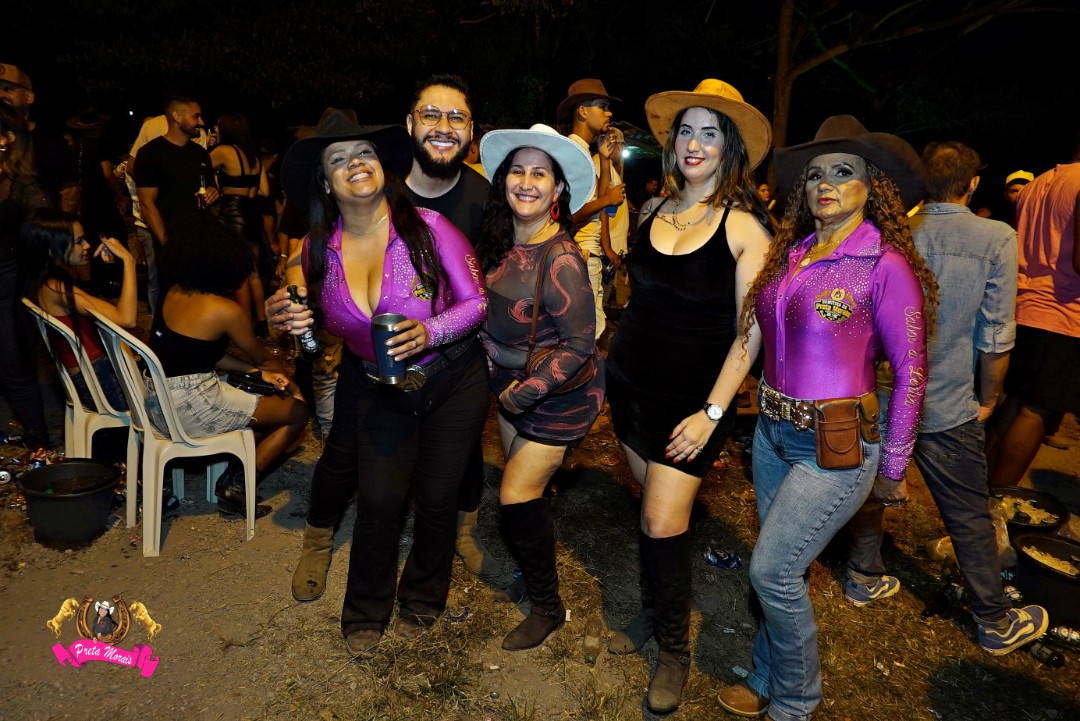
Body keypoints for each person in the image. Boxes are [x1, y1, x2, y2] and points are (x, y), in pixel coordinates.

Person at [718, 115, 937, 721]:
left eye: (843, 171)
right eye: (815, 175)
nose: (826, 184)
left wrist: (893, 466)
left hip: (835, 446)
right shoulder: (791, 255)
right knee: (780, 567)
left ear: (874, 186)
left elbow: (913, 372)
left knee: (772, 571)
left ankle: (796, 701)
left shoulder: (884, 264)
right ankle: (766, 674)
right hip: (770, 434)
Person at [266, 112, 489, 655]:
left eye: (364, 152)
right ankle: (366, 608)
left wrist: (431, 331)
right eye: (338, 159)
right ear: (325, 182)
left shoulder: (429, 228)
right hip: (379, 388)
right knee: (381, 500)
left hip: (452, 380)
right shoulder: (316, 251)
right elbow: (315, 347)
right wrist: (290, 325)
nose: (355, 164)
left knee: (436, 499)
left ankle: (424, 597)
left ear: (383, 166)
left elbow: (477, 302)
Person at [603, 79, 773, 714]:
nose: (694, 144)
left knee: (661, 520)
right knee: (651, 514)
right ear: (672, 144)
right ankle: (654, 611)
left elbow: (749, 336)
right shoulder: (652, 211)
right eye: (686, 132)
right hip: (629, 387)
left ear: (730, 148)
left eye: (710, 133)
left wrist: (711, 414)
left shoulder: (744, 229)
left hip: (692, 405)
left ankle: (674, 649)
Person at [844, 140, 1048, 656]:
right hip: (946, 395)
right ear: (973, 183)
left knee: (870, 487)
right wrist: (990, 395)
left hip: (879, 390)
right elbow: (996, 333)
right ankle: (993, 619)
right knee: (967, 510)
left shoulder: (891, 231)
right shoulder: (995, 237)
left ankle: (863, 574)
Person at [475, 123, 605, 651]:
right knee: (526, 495)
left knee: (515, 493)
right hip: (508, 387)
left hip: (558, 398)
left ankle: (548, 608)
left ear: (558, 189)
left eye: (540, 174)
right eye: (518, 171)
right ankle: (533, 570)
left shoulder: (563, 259)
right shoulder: (499, 242)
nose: (526, 183)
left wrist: (525, 392)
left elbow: (580, 345)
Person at [402, 74, 499, 579]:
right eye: (431, 115)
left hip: (461, 353)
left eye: (456, 117)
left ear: (471, 131)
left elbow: (498, 272)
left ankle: (463, 531)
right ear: (410, 124)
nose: (444, 126)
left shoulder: (485, 198)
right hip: (388, 352)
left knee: (462, 449)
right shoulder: (380, 190)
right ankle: (325, 532)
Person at [149, 218, 308, 517]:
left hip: (157, 402)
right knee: (296, 413)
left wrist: (256, 373)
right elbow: (263, 358)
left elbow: (203, 355)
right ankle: (237, 486)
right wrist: (295, 388)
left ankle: (236, 468)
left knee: (257, 391)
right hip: (190, 408)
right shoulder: (224, 309)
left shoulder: (173, 292)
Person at [988, 134, 1080, 488]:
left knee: (1014, 403)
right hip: (1063, 311)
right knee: (1037, 411)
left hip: (1023, 306)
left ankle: (977, 491)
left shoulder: (1038, 183)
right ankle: (999, 499)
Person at [18, 208, 135, 412]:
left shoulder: (40, 282)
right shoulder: (56, 288)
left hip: (88, 376)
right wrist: (129, 261)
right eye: (78, 241)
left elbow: (103, 310)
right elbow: (126, 318)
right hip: (98, 379)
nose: (87, 245)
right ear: (51, 250)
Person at [557, 78, 626, 339]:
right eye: (602, 107)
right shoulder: (572, 152)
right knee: (585, 334)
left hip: (587, 253)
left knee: (589, 331)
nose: (609, 113)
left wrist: (605, 161)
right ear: (583, 112)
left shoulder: (583, 151)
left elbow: (596, 195)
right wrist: (607, 201)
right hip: (581, 254)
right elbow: (566, 216)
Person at [0, 104, 52, 448]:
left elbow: (48, 227)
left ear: (7, 139)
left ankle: (38, 441)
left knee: (13, 365)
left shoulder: (21, 185)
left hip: (8, 286)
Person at [210, 112, 271, 336]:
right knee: (253, 271)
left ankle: (244, 324)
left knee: (239, 273)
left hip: (233, 213)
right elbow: (265, 191)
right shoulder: (253, 156)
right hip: (253, 212)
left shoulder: (223, 151)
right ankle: (261, 322)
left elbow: (198, 166)